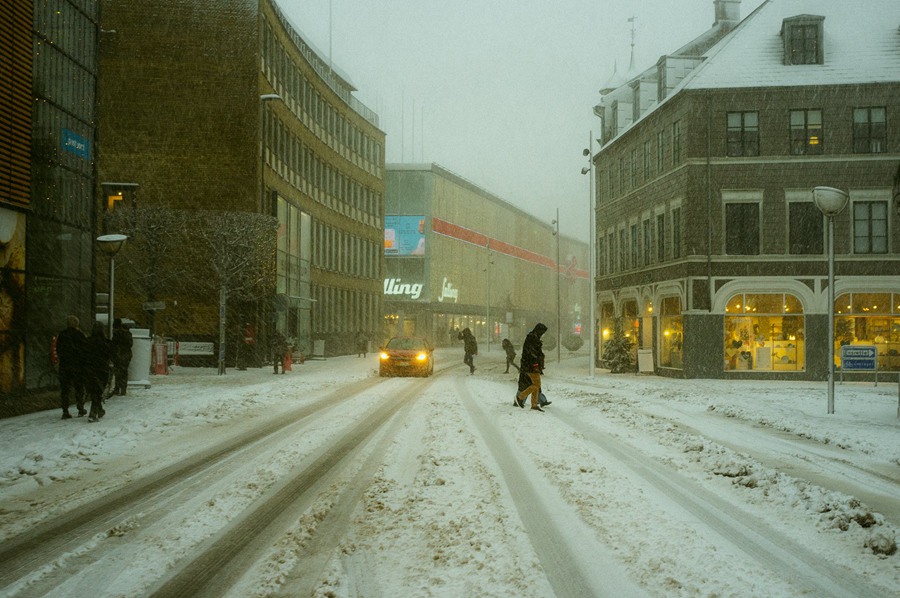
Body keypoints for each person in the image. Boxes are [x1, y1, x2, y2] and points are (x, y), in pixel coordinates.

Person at [56, 315, 87, 419]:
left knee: (65, 389)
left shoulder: (62, 335)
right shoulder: (80, 335)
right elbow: (84, 351)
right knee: (79, 388)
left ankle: (65, 411)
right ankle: (80, 408)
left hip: (64, 366)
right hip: (77, 366)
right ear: (77, 324)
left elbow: (58, 349)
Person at [84, 321, 113, 422]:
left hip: (89, 368)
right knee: (98, 390)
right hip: (102, 369)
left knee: (94, 391)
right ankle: (93, 413)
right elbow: (110, 355)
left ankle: (99, 410)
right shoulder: (106, 343)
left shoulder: (87, 341)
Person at [515, 323, 547, 412]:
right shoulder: (532, 338)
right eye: (542, 332)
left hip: (530, 365)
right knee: (536, 384)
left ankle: (534, 404)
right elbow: (532, 354)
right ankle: (520, 397)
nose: (543, 334)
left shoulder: (533, 337)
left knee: (536, 384)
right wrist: (536, 365)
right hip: (531, 366)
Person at [111, 318, 133, 395]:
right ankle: (123, 389)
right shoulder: (127, 333)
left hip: (119, 354)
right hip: (126, 354)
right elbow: (130, 344)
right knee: (124, 371)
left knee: (118, 372)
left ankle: (117, 388)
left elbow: (114, 345)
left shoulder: (116, 333)